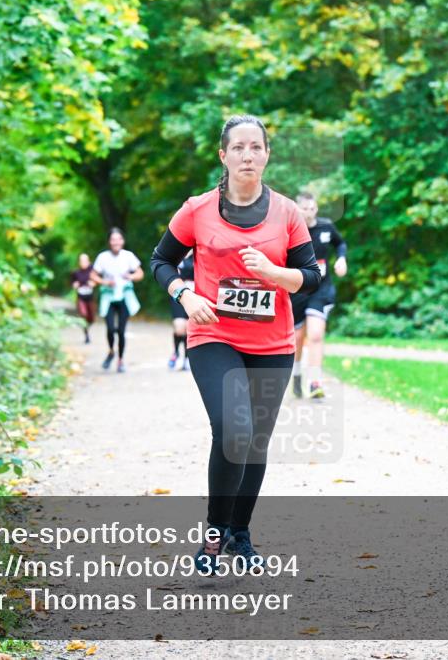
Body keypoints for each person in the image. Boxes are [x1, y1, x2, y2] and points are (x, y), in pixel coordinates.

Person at [150, 114, 321, 574]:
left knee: (256, 442)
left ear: (267, 155)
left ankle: (239, 535)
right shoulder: (197, 209)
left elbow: (311, 277)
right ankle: (213, 536)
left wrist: (273, 273)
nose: (248, 155)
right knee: (233, 430)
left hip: (273, 344)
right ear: (223, 155)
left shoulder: (287, 213)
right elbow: (161, 260)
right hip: (214, 336)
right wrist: (185, 295)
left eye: (256, 147)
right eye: (239, 148)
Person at [289, 191, 347, 399]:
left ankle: (315, 382)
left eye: (313, 208)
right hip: (297, 289)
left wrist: (341, 259)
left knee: (315, 334)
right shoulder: (289, 230)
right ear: (297, 209)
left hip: (321, 289)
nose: (309, 213)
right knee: (297, 338)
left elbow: (340, 243)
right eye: (305, 209)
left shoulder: (326, 227)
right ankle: (296, 374)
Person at [93, 228, 144, 373]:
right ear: (109, 242)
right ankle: (111, 351)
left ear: (123, 241)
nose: (116, 242)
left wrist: (130, 276)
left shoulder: (128, 256)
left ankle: (120, 360)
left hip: (124, 297)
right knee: (110, 329)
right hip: (108, 297)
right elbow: (93, 275)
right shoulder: (103, 257)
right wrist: (105, 282)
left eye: (119, 239)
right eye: (113, 239)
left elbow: (140, 273)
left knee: (121, 331)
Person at [168, 251, 195, 371]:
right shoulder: (177, 252)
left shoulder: (200, 253)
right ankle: (176, 353)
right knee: (179, 328)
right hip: (179, 294)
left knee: (188, 328)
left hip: (195, 296)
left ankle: (187, 358)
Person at [70, 253, 96, 344]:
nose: (83, 263)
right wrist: (75, 285)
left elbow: (98, 280)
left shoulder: (92, 272)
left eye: (85, 261)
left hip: (90, 297)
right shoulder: (76, 273)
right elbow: (72, 283)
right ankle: (86, 335)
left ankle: (87, 327)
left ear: (88, 262)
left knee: (91, 318)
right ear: (79, 262)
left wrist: (94, 283)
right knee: (83, 315)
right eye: (81, 261)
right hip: (81, 297)